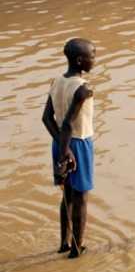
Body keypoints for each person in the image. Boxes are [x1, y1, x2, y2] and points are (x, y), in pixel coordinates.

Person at [41, 38, 96, 259]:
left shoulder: (56, 82)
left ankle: (64, 243)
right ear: (80, 60)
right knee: (81, 198)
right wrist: (69, 152)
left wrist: (61, 148)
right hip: (78, 143)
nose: (95, 60)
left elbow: (47, 119)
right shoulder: (83, 89)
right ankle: (77, 248)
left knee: (68, 195)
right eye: (93, 56)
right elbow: (68, 125)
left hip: (60, 143)